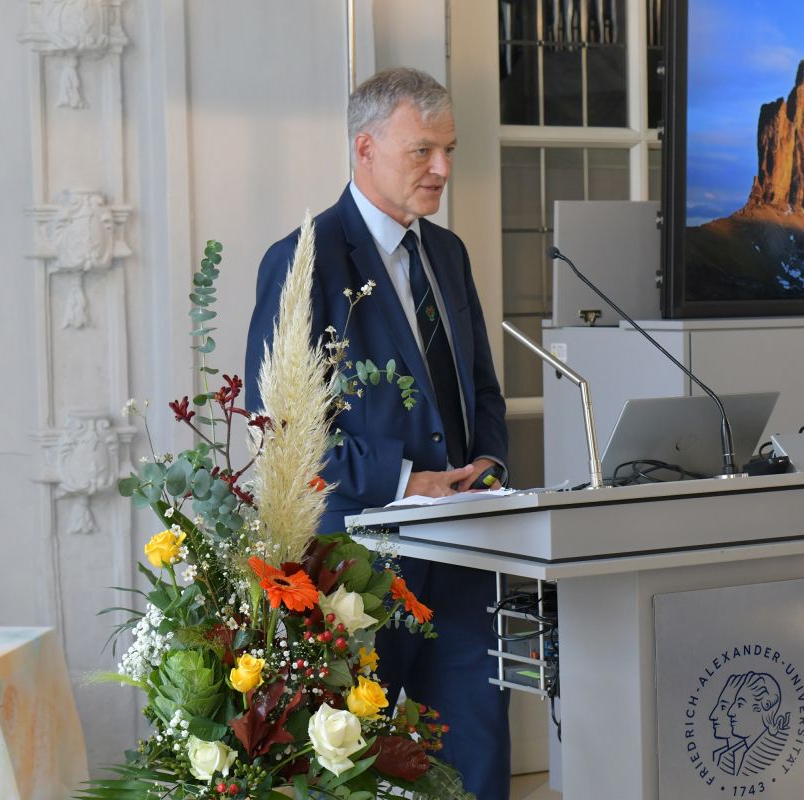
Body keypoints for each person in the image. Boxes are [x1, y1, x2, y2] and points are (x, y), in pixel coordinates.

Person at [244, 67, 510, 799]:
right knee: (351, 772)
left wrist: (486, 461)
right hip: (358, 567)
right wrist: (404, 480)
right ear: (365, 148)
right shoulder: (305, 260)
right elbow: (283, 432)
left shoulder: (448, 255)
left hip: (463, 558)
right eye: (422, 151)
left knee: (478, 754)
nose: (444, 169)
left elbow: (483, 390)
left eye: (448, 150)